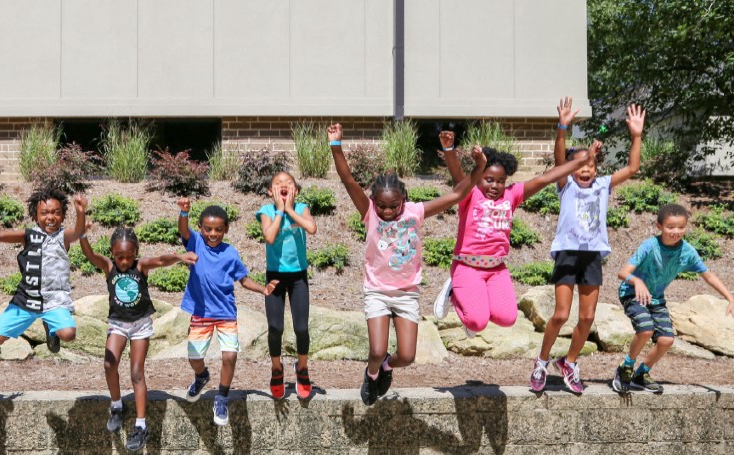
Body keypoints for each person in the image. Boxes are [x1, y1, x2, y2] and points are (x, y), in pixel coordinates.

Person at [328, 123, 486, 407]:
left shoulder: (415, 212)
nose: (388, 211)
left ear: (404, 200)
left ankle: (387, 367)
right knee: (376, 351)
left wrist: (479, 168)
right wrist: (336, 145)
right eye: (382, 206)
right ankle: (372, 374)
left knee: (407, 356)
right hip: (377, 291)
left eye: (394, 205)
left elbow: (457, 194)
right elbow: (348, 180)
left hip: (407, 293)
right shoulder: (369, 212)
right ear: (374, 201)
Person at [435, 130, 605, 342]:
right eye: (489, 180)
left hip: (496, 269)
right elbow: (457, 173)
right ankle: (455, 292)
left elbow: (546, 178)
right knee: (476, 322)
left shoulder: (511, 195)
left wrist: (585, 160)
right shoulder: (470, 194)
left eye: (500, 181)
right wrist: (449, 148)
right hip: (467, 266)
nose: (495, 186)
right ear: (478, 178)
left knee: (508, 318)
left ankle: (472, 304)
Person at [531, 99, 644, 394]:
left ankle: (569, 362)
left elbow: (632, 167)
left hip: (592, 255)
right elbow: (560, 161)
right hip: (567, 253)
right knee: (560, 314)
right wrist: (562, 127)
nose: (586, 170)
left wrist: (636, 135)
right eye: (580, 165)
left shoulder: (603, 185)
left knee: (587, 317)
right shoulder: (565, 184)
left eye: (590, 165)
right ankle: (541, 361)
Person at [76, 216, 197, 451]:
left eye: (129, 256)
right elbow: (89, 255)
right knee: (109, 363)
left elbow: (161, 260)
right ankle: (117, 406)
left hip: (140, 325)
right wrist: (82, 233)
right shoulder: (109, 267)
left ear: (136, 253)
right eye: (119, 256)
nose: (124, 261)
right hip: (118, 324)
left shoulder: (140, 266)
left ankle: (141, 425)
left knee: (136, 372)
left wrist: (180, 257)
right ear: (112, 253)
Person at [612, 204, 734, 394]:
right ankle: (625, 368)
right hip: (632, 293)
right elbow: (623, 273)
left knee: (667, 340)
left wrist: (729, 297)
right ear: (659, 226)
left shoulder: (687, 251)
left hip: (656, 299)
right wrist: (637, 281)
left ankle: (641, 374)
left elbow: (708, 275)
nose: (676, 231)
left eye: (681, 227)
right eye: (670, 227)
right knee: (645, 330)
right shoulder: (649, 246)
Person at [179, 198, 277, 426]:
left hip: (225, 313)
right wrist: (183, 213)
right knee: (194, 358)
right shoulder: (195, 243)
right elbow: (183, 230)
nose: (213, 234)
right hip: (201, 313)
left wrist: (263, 289)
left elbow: (243, 280)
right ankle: (202, 376)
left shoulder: (230, 253)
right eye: (208, 229)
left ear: (226, 229)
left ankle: (222, 398)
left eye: (218, 229)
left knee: (230, 356)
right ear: (201, 228)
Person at [0, 187, 84, 352]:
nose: (50, 217)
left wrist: (81, 212)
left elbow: (78, 232)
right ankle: (39, 320)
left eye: (56, 212)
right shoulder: (28, 235)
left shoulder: (63, 236)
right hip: (26, 299)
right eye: (44, 213)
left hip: (54, 300)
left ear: (63, 216)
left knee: (68, 334)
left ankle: (51, 327)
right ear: (35, 217)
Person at [255, 171, 317, 400]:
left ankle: (302, 368)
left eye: (288, 183)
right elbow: (270, 237)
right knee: (275, 327)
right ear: (270, 191)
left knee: (301, 328)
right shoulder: (266, 211)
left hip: (298, 277)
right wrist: (280, 211)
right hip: (275, 277)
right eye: (278, 183)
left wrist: (290, 210)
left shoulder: (301, 208)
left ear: (296, 191)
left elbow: (311, 228)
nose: (283, 185)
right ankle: (276, 368)